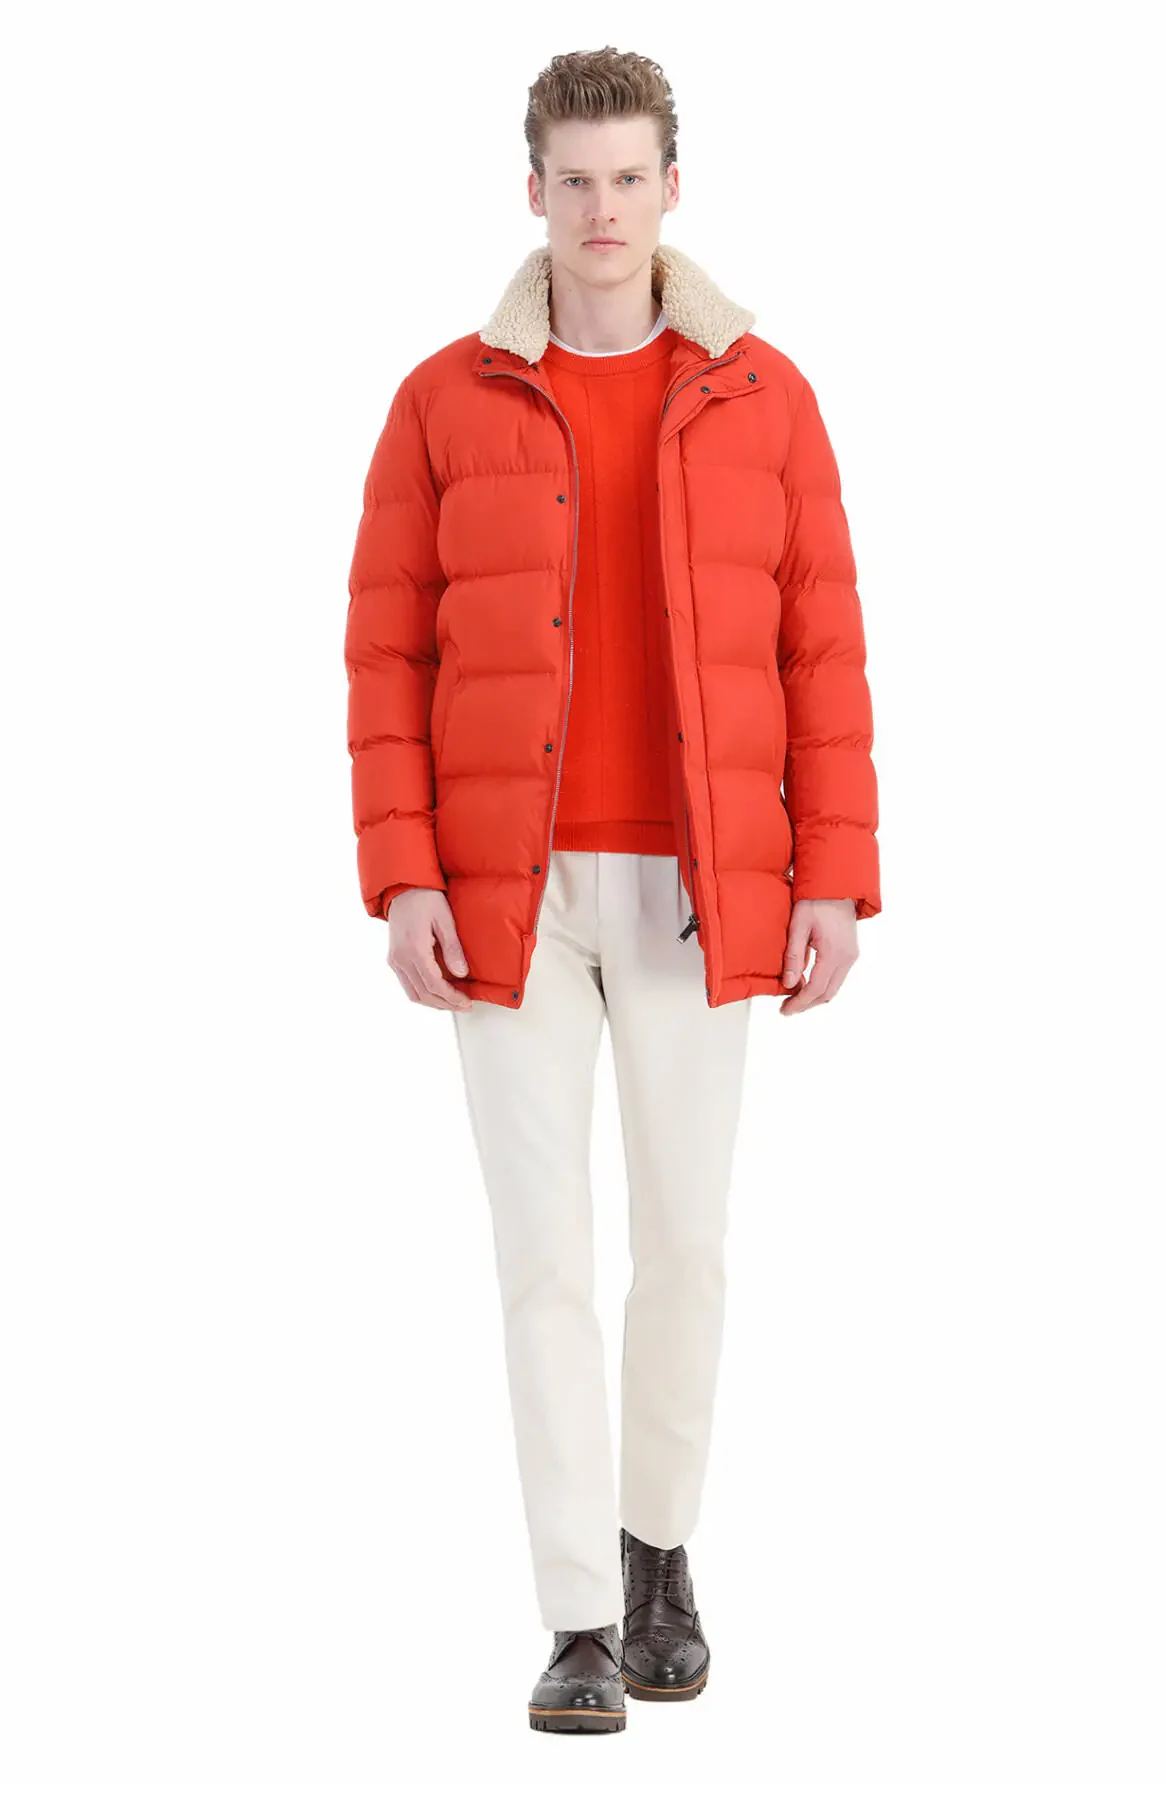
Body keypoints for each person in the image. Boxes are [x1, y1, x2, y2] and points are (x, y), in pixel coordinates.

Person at [344, 45, 881, 1735]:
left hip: (698, 886)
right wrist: (401, 876)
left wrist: (833, 876)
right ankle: (578, 1615)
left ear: (671, 189)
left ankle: (660, 1558)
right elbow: (384, 653)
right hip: (503, 895)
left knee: (687, 1247)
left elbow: (823, 646)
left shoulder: (762, 395)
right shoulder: (444, 400)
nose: (601, 210)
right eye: (573, 180)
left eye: (628, 178)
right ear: (533, 193)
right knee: (544, 1261)